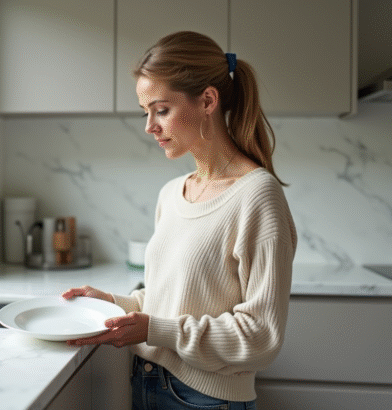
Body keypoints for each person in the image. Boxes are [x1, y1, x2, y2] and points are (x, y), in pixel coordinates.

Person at [62, 31, 297, 410]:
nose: (149, 126)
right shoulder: (172, 194)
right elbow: (168, 301)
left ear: (207, 100)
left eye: (161, 110)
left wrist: (154, 329)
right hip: (147, 382)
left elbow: (261, 337)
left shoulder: (257, 195)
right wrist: (111, 306)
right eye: (146, 112)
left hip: (205, 400)